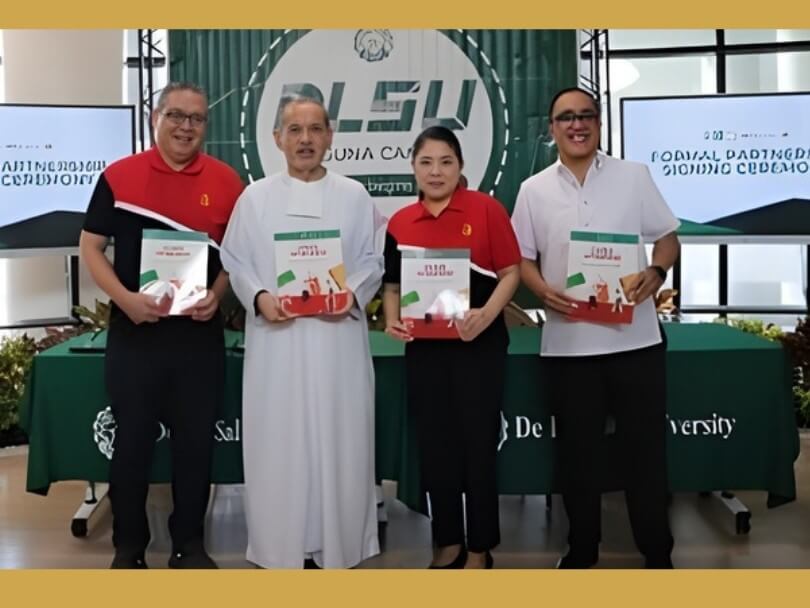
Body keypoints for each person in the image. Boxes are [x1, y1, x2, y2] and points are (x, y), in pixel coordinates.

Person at [510, 87, 680, 569]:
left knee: (644, 454)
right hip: (568, 344)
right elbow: (521, 258)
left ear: (599, 123)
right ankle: (582, 548)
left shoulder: (634, 176)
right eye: (566, 117)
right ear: (552, 129)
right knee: (577, 457)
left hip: (636, 341)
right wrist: (542, 292)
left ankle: (657, 551)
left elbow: (667, 237)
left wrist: (658, 272)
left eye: (586, 115)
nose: (576, 124)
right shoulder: (533, 190)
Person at [79, 81, 244, 568]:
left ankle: (188, 544)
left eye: (196, 119)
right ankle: (128, 545)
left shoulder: (227, 181)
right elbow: (90, 246)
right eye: (176, 115)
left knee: (195, 446)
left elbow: (235, 258)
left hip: (198, 338)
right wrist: (126, 299)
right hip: (136, 333)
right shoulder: (119, 176)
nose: (185, 126)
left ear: (205, 127)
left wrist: (215, 296)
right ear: (156, 118)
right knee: (130, 443)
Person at [220, 97, 383, 569]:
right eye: (294, 130)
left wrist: (349, 294)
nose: (305, 139)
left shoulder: (354, 195)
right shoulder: (255, 198)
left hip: (338, 344)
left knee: (341, 437)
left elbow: (373, 260)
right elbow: (235, 261)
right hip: (278, 343)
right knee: (279, 441)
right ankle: (280, 545)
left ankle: (342, 543)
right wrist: (260, 298)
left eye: (315, 129)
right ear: (277, 139)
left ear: (331, 136)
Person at [382, 126, 521, 569]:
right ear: (413, 168)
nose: (436, 171)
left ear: (461, 166)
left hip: (478, 346)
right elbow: (392, 285)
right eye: (426, 162)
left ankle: (480, 546)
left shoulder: (486, 210)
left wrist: (487, 315)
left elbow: (511, 273)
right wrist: (390, 318)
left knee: (478, 446)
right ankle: (447, 541)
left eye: (446, 162)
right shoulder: (401, 222)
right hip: (425, 350)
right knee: (436, 446)